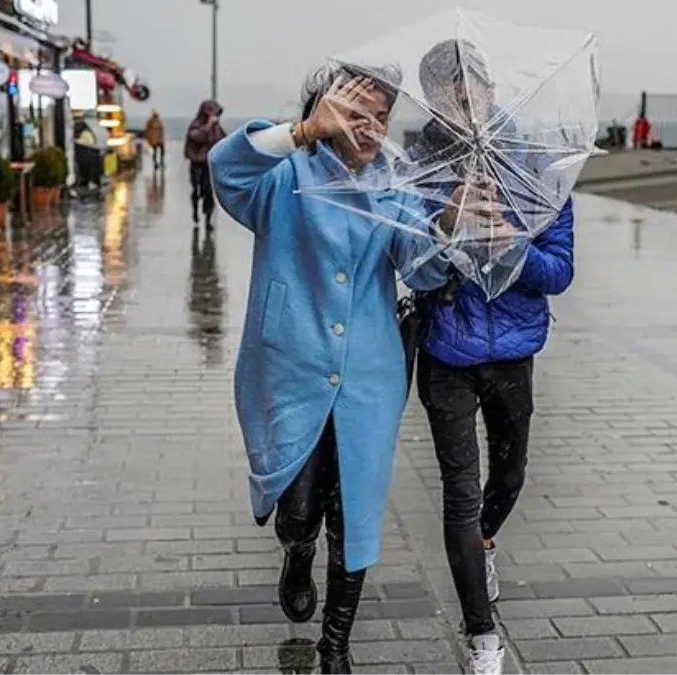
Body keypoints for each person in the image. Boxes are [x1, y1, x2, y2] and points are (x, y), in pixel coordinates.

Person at [209, 66, 452, 674]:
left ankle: (335, 645)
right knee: (298, 508)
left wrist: (447, 227)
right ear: (324, 111)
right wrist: (300, 132)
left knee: (356, 514)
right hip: (290, 365)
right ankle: (296, 549)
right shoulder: (285, 177)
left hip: (369, 374)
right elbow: (225, 169)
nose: (371, 128)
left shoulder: (395, 184)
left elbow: (421, 271)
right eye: (356, 113)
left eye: (381, 117)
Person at [411, 38, 576, 675]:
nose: (461, 97)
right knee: (458, 493)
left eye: (470, 83)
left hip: (513, 351)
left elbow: (559, 272)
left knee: (508, 479)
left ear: (489, 88)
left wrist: (509, 246)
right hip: (445, 349)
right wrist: (449, 226)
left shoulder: (535, 163)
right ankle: (483, 636)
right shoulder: (418, 164)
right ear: (432, 99)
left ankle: (485, 542)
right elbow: (411, 271)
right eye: (446, 88)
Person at [185, 100, 226, 227]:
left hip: (209, 164)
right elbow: (196, 137)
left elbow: (224, 141)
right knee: (196, 190)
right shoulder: (195, 124)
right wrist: (208, 126)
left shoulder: (217, 128)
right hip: (197, 162)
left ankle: (208, 219)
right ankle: (195, 211)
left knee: (209, 192)